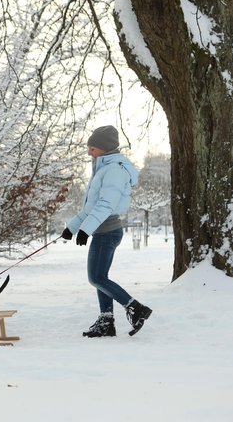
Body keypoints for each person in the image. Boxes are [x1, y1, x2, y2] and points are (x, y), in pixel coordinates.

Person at [61, 125, 152, 337]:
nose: (89, 151)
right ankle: (106, 321)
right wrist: (72, 229)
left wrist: (86, 230)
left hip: (108, 230)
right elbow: (90, 208)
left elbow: (105, 205)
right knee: (100, 277)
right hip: (102, 231)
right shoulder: (102, 168)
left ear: (104, 147)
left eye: (92, 147)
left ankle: (135, 308)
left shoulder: (115, 170)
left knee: (96, 278)